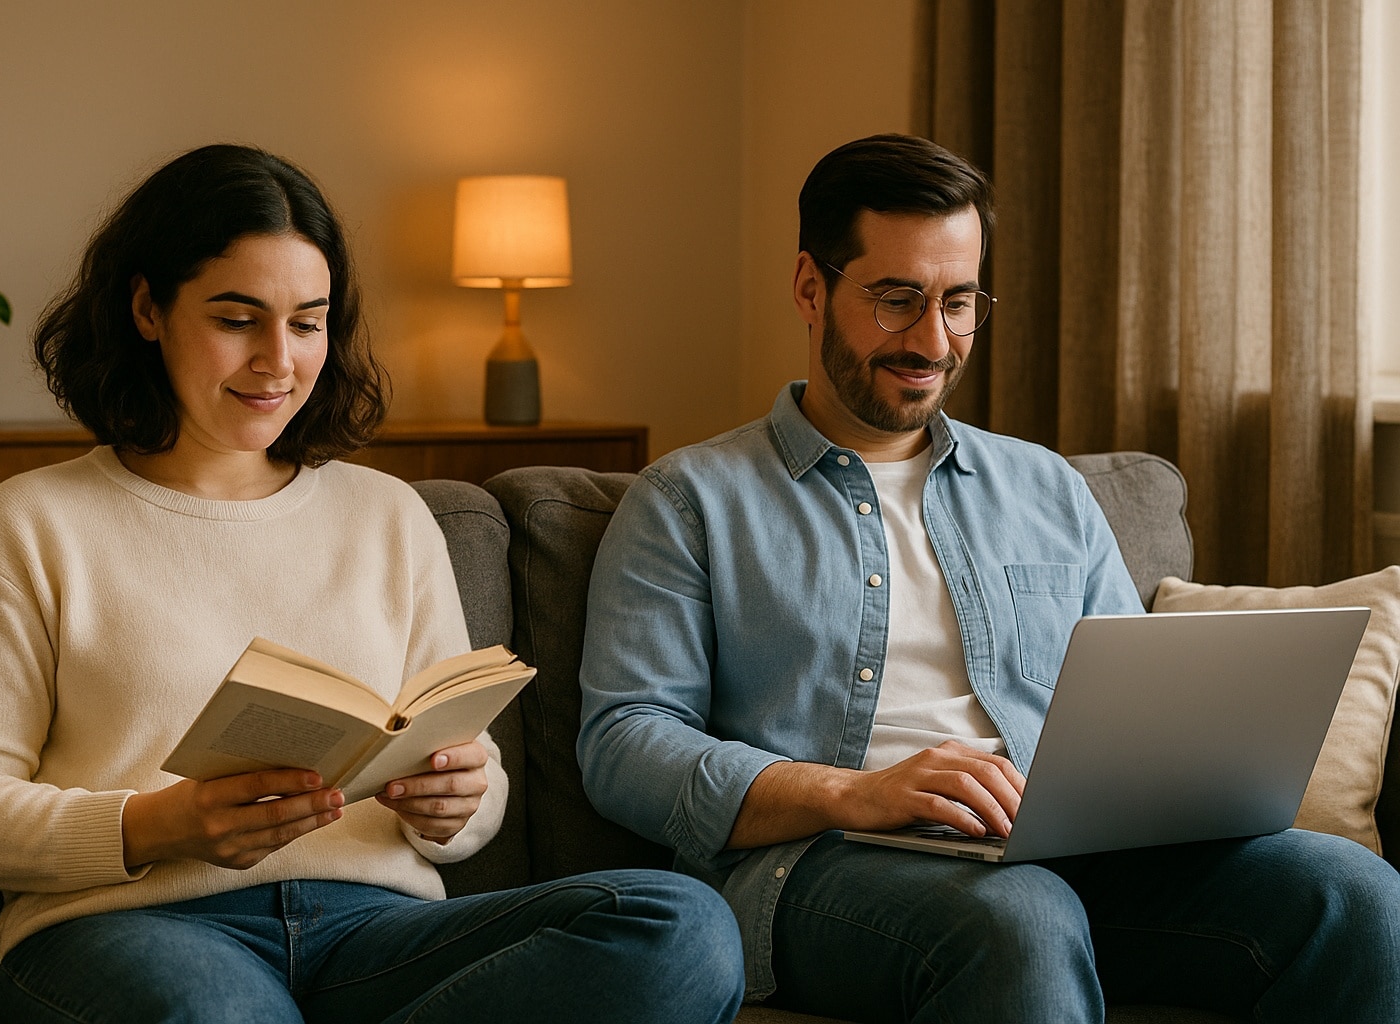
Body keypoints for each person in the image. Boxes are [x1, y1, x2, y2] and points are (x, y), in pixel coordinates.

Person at [0, 143, 744, 1024]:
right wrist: (161, 825)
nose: (279, 361)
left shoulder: (386, 515)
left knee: (680, 926)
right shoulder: (34, 522)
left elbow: (479, 784)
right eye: (238, 319)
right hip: (136, 930)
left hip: (375, 934)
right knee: (218, 1013)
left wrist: (456, 799)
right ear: (147, 308)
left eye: (307, 322)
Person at [577, 133, 1400, 1022]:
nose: (933, 340)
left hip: (1057, 856)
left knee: (1351, 890)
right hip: (819, 864)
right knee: (1020, 919)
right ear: (810, 288)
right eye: (897, 301)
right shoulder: (690, 500)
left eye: (959, 303)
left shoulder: (1047, 488)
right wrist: (856, 792)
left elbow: (1132, 705)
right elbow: (623, 742)